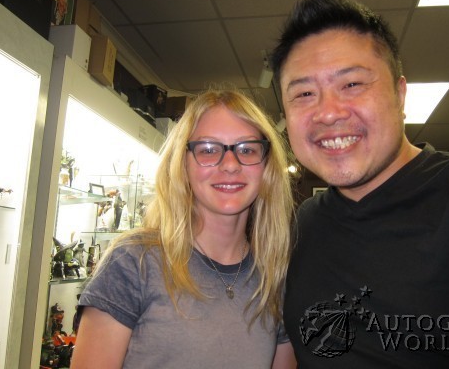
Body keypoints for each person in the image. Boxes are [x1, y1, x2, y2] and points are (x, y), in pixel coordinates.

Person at [270, 0, 449, 368]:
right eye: (304, 93)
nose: (328, 112)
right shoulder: (302, 226)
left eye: (352, 84)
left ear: (400, 94)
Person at [71, 89, 296, 368]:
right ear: (182, 164)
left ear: (267, 167)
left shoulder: (274, 280)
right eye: (208, 149)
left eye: (247, 149)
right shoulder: (135, 263)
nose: (230, 165)